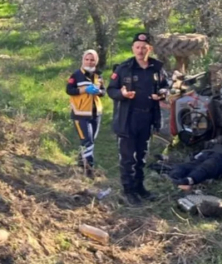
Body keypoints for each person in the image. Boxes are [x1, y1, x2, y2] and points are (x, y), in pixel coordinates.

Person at [107, 32, 168, 206]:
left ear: (150, 49)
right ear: (133, 48)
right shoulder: (124, 68)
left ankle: (139, 187)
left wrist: (163, 93)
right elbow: (111, 90)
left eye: (144, 48)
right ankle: (129, 191)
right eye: (137, 47)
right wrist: (122, 94)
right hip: (128, 118)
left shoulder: (156, 68)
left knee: (141, 156)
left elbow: (165, 86)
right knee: (128, 158)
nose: (140, 51)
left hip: (147, 117)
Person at [66, 49, 106, 178]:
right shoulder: (76, 75)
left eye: (92, 60)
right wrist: (84, 89)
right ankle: (89, 170)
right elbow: (69, 90)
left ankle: (80, 164)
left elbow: (104, 92)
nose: (89, 62)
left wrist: (98, 91)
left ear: (96, 61)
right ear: (83, 60)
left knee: (90, 141)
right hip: (80, 113)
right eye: (87, 59)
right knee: (87, 141)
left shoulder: (98, 76)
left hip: (95, 113)